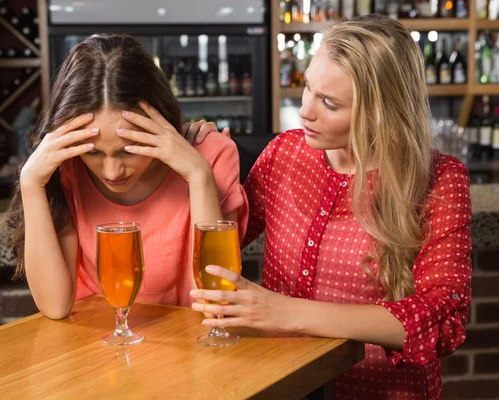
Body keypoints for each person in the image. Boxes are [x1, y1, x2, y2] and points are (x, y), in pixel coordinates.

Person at [190, 15, 471, 399]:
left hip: (380, 391)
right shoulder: (284, 153)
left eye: (329, 103)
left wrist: (282, 312)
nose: (305, 110)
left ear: (380, 113)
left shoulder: (439, 179)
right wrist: (200, 169)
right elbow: (219, 244)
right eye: (307, 87)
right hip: (283, 383)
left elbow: (442, 318)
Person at [4, 33, 248, 320]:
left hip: (187, 351)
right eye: (94, 153)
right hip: (97, 349)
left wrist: (198, 175)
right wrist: (31, 182)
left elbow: (215, 306)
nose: (111, 172)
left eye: (129, 150)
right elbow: (55, 306)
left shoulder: (211, 156)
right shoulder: (68, 167)